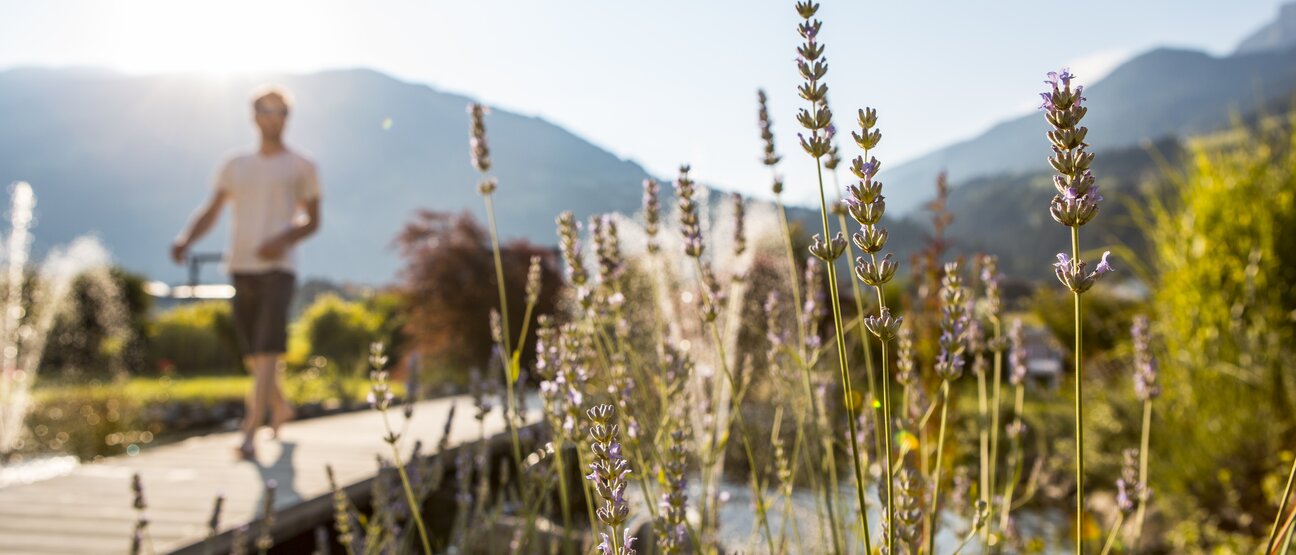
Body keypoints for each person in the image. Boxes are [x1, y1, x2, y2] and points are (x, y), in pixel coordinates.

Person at [171, 86, 321, 459]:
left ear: (288, 117)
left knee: (268, 348)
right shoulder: (235, 165)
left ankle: (250, 431)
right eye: (265, 110)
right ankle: (281, 405)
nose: (272, 117)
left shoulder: (301, 166)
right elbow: (212, 209)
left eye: (280, 112)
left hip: (279, 268)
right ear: (254, 116)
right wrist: (186, 238)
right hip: (241, 266)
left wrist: (284, 237)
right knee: (254, 354)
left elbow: (313, 220)